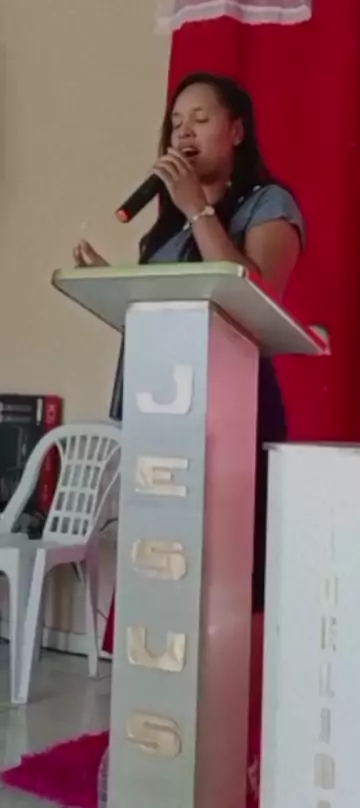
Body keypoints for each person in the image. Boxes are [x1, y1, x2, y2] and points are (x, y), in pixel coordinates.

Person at [74, 72, 305, 806]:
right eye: (176, 120)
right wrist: (116, 287)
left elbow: (255, 296)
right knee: (166, 579)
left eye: (200, 118)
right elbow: (171, 318)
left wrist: (200, 210)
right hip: (162, 426)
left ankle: (243, 749)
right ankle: (162, 736)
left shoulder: (268, 204)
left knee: (235, 587)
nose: (183, 131)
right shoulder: (168, 223)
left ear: (237, 130)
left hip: (234, 423)